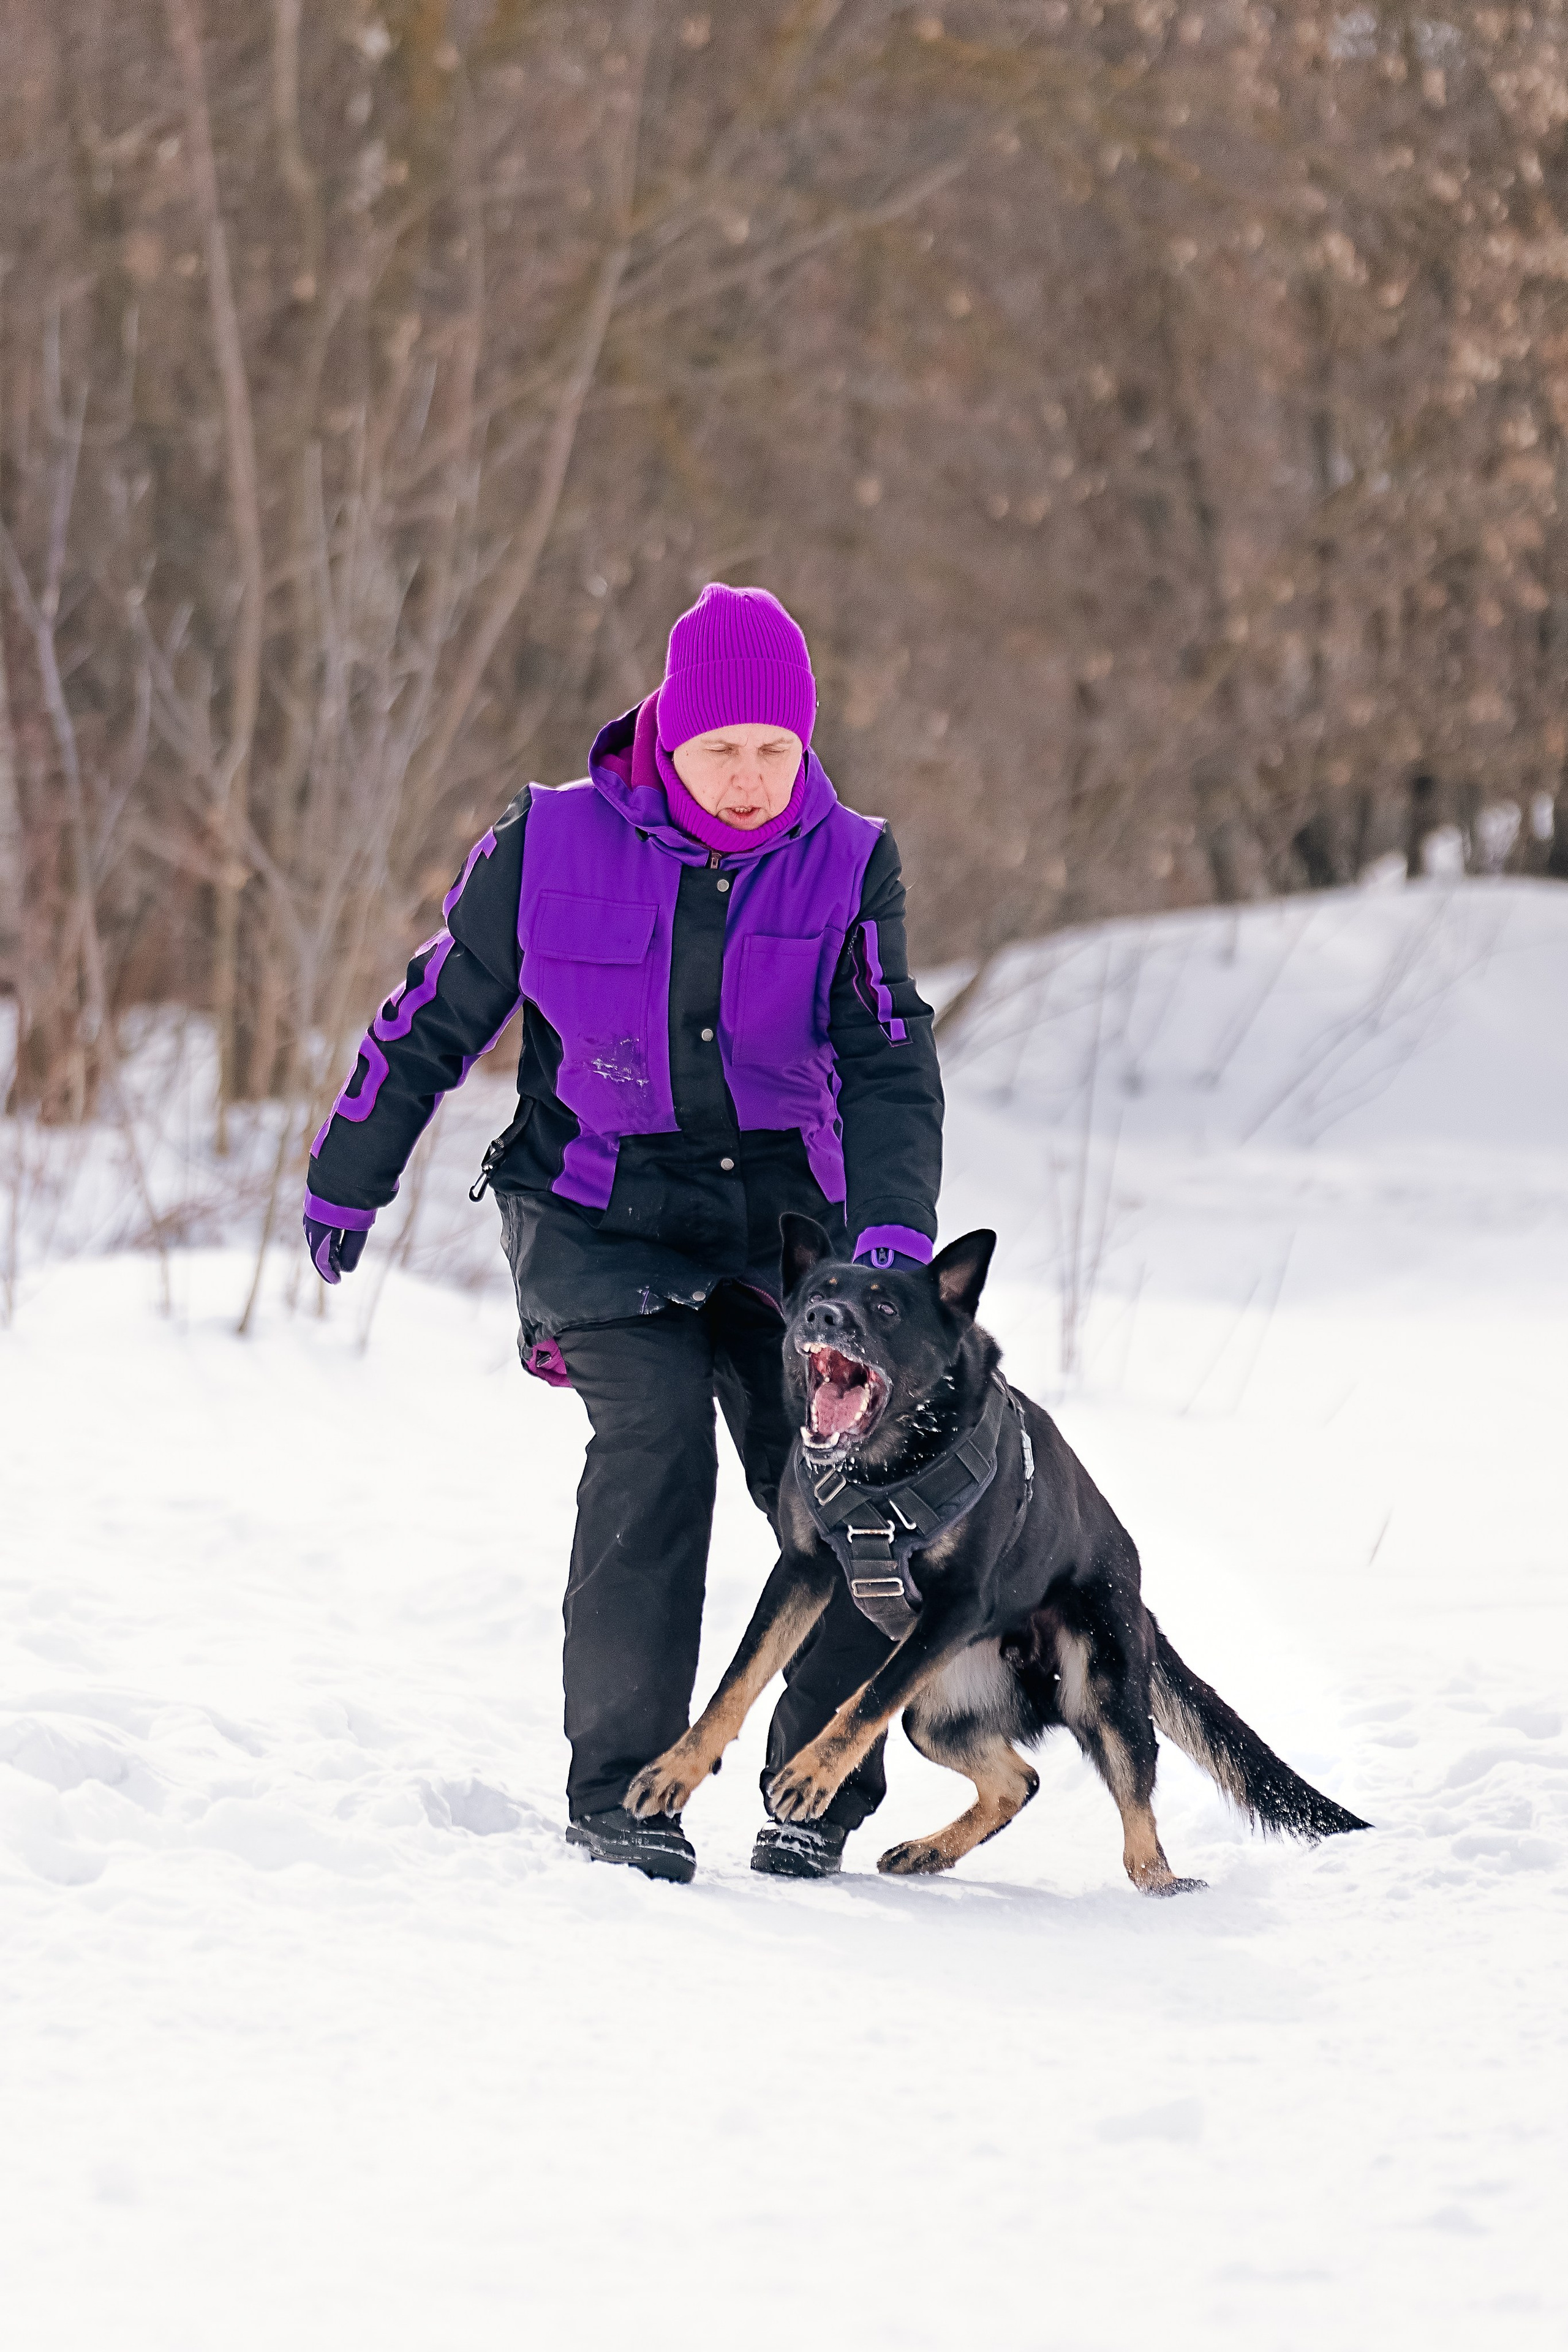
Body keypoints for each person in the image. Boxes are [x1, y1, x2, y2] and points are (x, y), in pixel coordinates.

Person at [303, 584, 943, 1882]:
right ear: (668, 733)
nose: (753, 779)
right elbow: (435, 1013)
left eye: (777, 750)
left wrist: (889, 1241)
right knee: (653, 1456)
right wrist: (347, 1172)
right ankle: (623, 1793)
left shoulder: (846, 855)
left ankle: (809, 1783)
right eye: (723, 751)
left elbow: (885, 1057)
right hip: (596, 1212)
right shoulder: (547, 841)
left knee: (845, 1486)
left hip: (789, 1229)